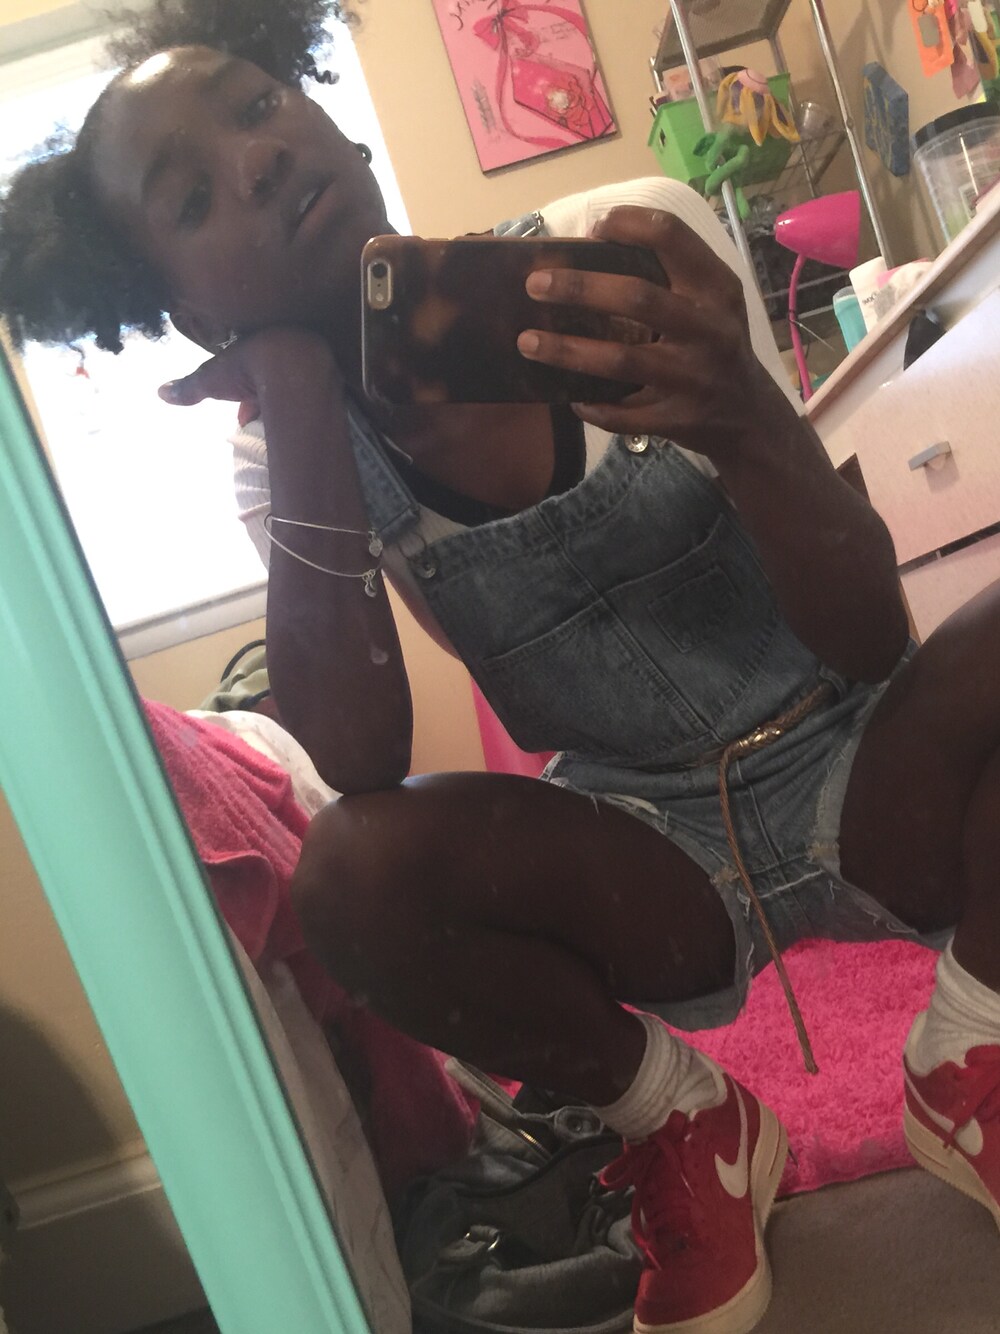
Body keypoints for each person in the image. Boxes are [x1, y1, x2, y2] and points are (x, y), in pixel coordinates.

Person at [2, 3, 999, 1330]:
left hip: (861, 761)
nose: (256, 157)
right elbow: (355, 758)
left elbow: (871, 635)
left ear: (334, 119)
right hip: (650, 848)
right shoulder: (280, 461)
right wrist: (298, 397)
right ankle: (684, 1121)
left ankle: (972, 1048)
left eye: (257, 106)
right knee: (351, 869)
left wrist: (743, 413)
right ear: (188, 309)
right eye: (191, 196)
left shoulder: (628, 249)